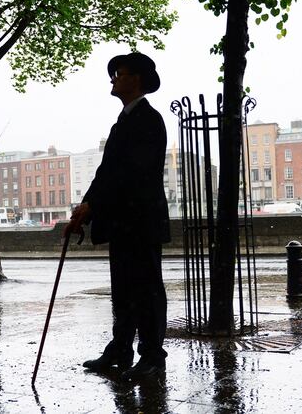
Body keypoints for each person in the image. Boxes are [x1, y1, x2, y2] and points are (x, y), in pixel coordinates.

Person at [65, 52, 171, 382]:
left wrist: (93, 206)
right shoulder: (124, 121)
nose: (113, 79)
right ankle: (121, 348)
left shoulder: (148, 120)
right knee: (124, 289)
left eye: (119, 74)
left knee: (147, 290)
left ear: (135, 79)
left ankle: (153, 356)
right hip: (126, 223)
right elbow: (107, 172)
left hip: (141, 222)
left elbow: (129, 174)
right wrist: (86, 205)